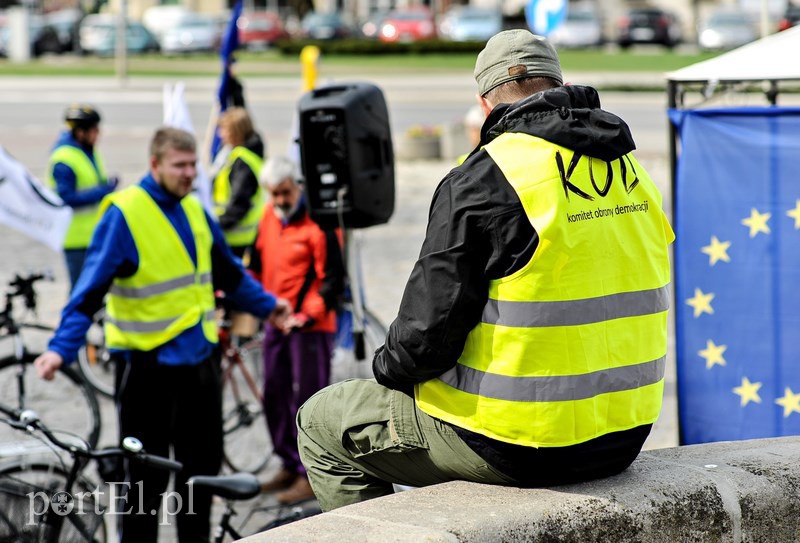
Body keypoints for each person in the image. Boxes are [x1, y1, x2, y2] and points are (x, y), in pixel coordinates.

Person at [296, 29, 675, 512]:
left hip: (519, 444)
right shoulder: (631, 172)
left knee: (323, 421)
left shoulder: (485, 178)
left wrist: (385, 370)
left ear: (485, 102)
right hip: (624, 436)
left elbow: (422, 343)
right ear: (557, 83)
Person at [34, 127, 291, 543]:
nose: (189, 173)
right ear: (155, 164)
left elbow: (229, 274)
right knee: (143, 489)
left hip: (200, 365)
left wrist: (269, 307)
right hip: (146, 368)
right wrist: (60, 350)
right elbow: (87, 293)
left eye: (193, 165)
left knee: (200, 479)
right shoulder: (124, 214)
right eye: (180, 165)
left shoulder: (194, 211)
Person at [250, 155, 345, 504]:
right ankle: (289, 463)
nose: (279, 201)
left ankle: (311, 475)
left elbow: (333, 282)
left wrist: (305, 316)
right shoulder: (268, 219)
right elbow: (256, 267)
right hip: (277, 322)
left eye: (285, 193)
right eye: (273, 194)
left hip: (311, 327)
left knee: (308, 402)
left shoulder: (319, 224)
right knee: (274, 395)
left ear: (298, 187)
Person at [47, 104, 117, 289]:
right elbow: (67, 198)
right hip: (75, 239)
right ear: (80, 132)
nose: (98, 134)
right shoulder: (64, 159)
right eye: (94, 130)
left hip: (96, 234)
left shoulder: (89, 152)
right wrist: (103, 191)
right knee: (79, 293)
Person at [211, 106, 266, 259]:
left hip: (237, 239)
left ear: (237, 131)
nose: (220, 135)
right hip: (235, 235)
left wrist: (216, 226)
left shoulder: (242, 161)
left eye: (224, 130)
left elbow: (239, 202)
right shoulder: (237, 154)